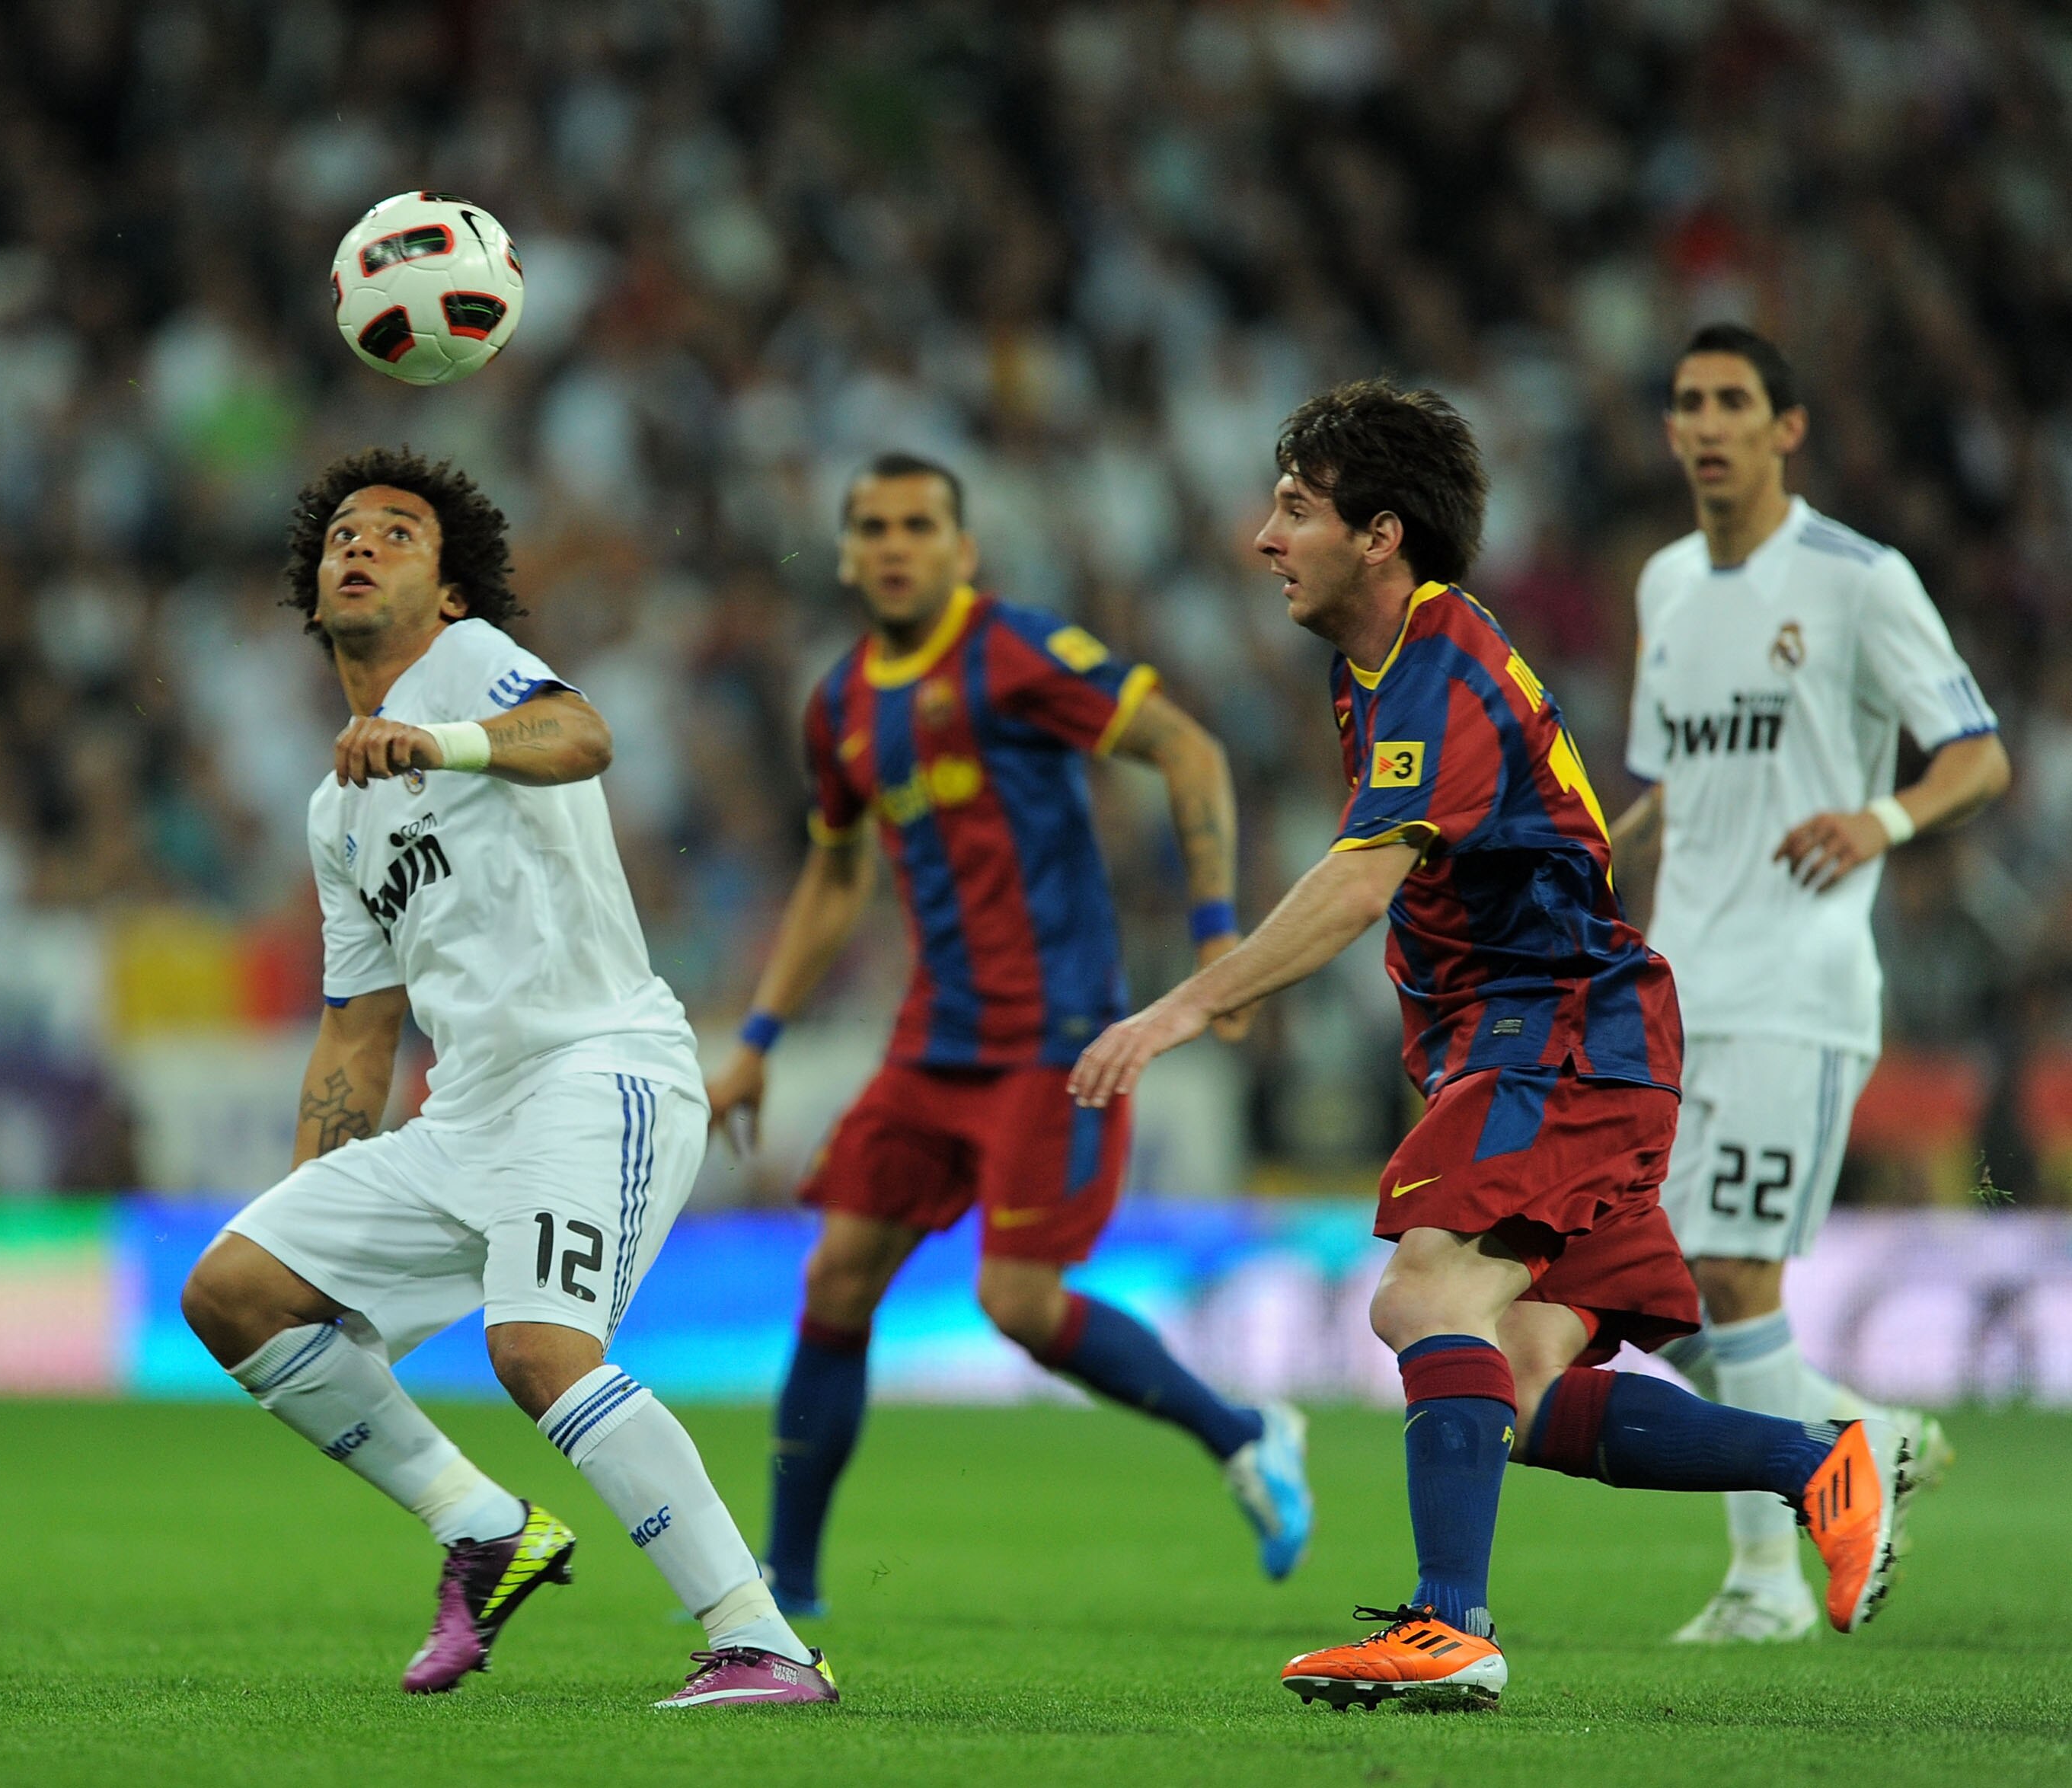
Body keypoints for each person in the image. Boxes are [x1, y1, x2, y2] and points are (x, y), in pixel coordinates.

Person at [1070, 382, 1905, 1713]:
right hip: (1570, 1036)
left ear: (1382, 534)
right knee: (1509, 1372)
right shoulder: (1389, 668)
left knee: (1419, 1300)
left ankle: (1450, 1628)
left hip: (1555, 1031)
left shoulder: (1438, 670)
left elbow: (1358, 882)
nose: (1262, 537)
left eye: (1295, 509)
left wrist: (1185, 1005)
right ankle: (1818, 1467)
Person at [178, 447, 836, 1710]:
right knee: (238, 1290)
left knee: (537, 1349)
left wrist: (442, 740)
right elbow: (361, 1030)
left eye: (399, 534)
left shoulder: (466, 672)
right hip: (466, 1115)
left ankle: (766, 1643)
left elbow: (582, 734)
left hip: (600, 1067)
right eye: (342, 537)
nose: (359, 546)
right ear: (313, 593)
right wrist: (326, 1217)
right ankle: (484, 1528)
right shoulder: (337, 810)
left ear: (452, 592)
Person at [706, 452, 1311, 1618]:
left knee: (1020, 1305)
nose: (895, 545)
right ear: (845, 554)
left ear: (962, 549)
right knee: (835, 1274)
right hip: (935, 1038)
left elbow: (1188, 749)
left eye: (919, 525)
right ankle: (789, 1587)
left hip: (1058, 1032)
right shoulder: (838, 704)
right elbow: (835, 877)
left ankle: (1243, 1432)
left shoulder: (1016, 651)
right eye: (872, 526)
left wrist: (1218, 939)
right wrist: (759, 1036)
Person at [1607, 324, 2010, 1643]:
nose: (1707, 424)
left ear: (1787, 429)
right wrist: (1583, 863)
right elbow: (1672, 780)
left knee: (1730, 1267)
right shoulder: (1667, 583)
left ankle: (1767, 1580)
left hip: (1801, 978)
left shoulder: (1855, 577)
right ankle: (1861, 1431)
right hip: (1682, 981)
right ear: (1669, 433)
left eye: (1734, 402)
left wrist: (1879, 822)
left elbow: (1975, 752)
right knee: (1641, 1285)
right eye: (1688, 404)